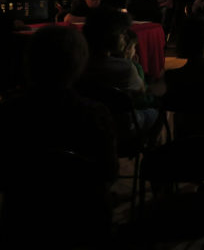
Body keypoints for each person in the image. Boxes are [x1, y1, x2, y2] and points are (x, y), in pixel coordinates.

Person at [0, 26, 117, 247]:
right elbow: (109, 171)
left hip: (21, 219)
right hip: (86, 219)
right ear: (79, 63)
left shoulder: (9, 112)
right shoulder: (94, 114)